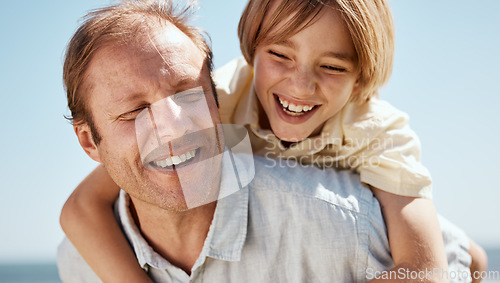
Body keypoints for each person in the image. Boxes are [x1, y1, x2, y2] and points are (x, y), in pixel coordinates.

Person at [59, 0, 486, 282]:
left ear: (360, 82)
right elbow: (84, 205)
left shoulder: (377, 132)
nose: (300, 85)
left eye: (333, 67)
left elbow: (428, 270)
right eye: (280, 56)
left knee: (470, 257)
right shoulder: (221, 98)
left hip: (383, 216)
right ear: (250, 51)